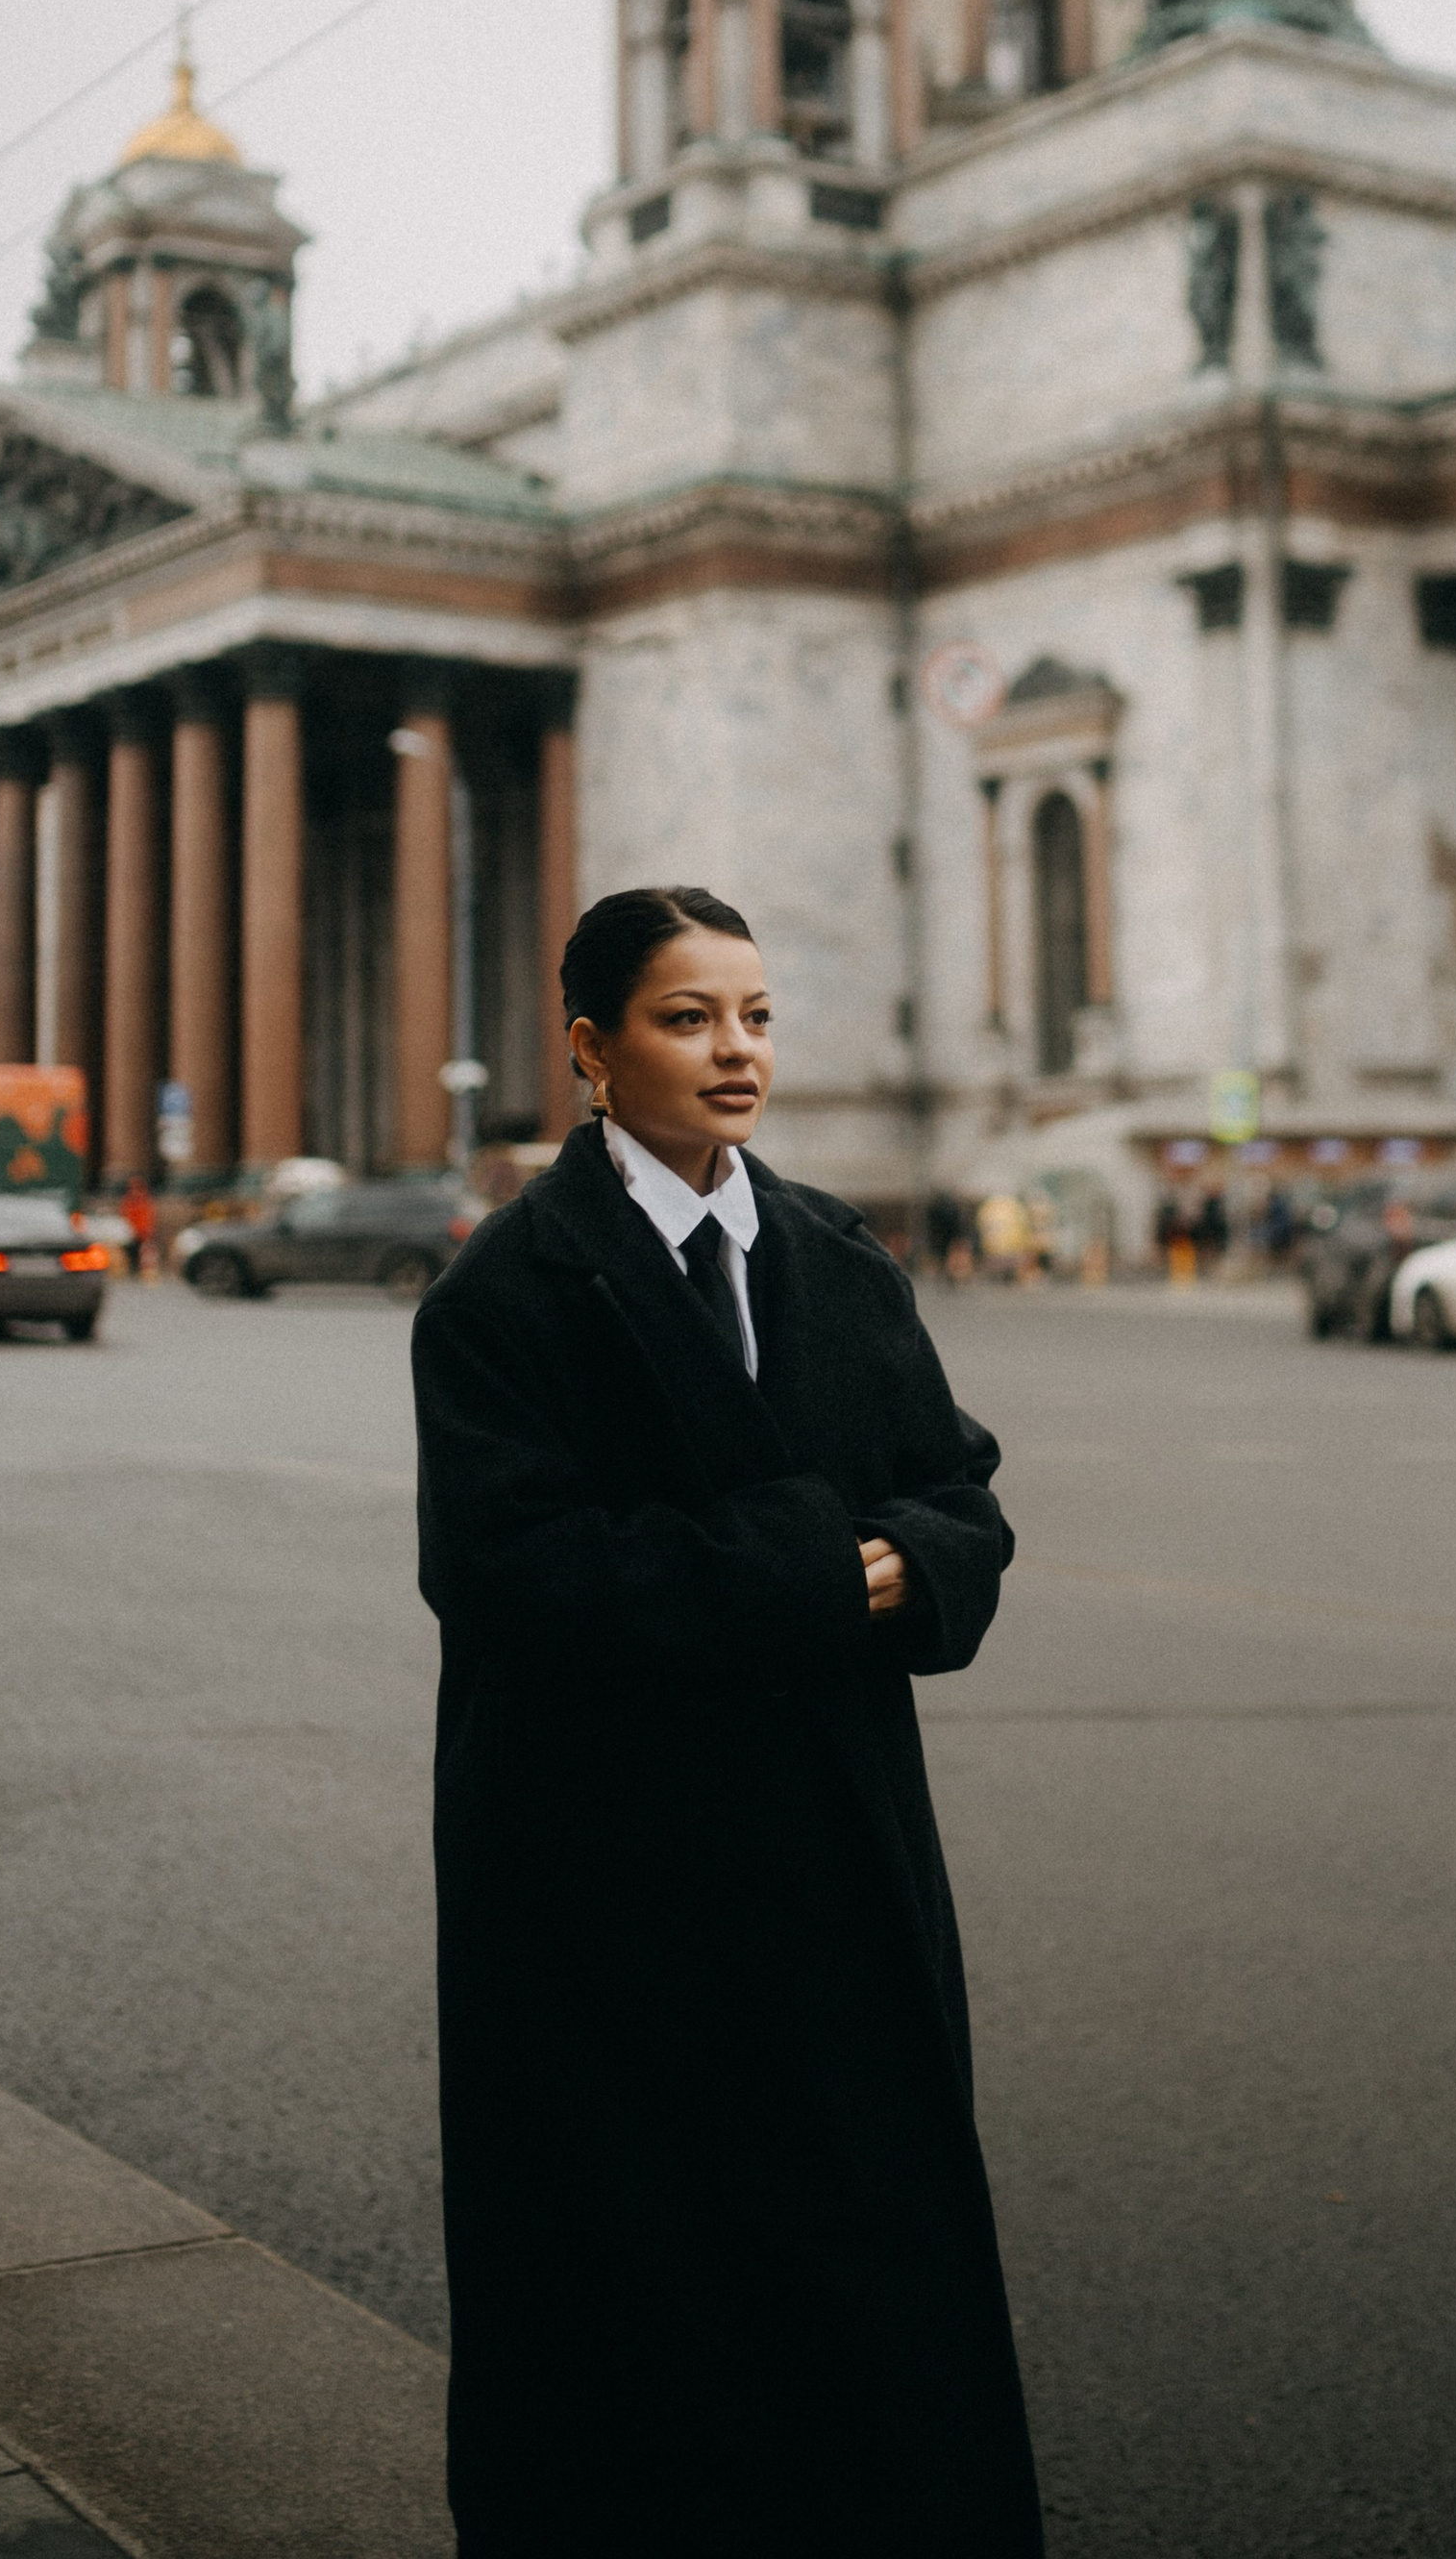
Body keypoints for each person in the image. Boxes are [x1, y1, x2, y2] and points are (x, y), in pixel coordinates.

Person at [411, 884, 1043, 2559]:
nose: (736, 1051)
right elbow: (510, 1570)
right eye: (690, 1018)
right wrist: (828, 1575)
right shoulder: (511, 1290)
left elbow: (955, 1491)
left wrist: (909, 1559)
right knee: (641, 2291)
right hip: (606, 1879)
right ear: (591, 1049)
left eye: (755, 1016)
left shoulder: (837, 1252)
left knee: (864, 2259)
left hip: (835, 1848)